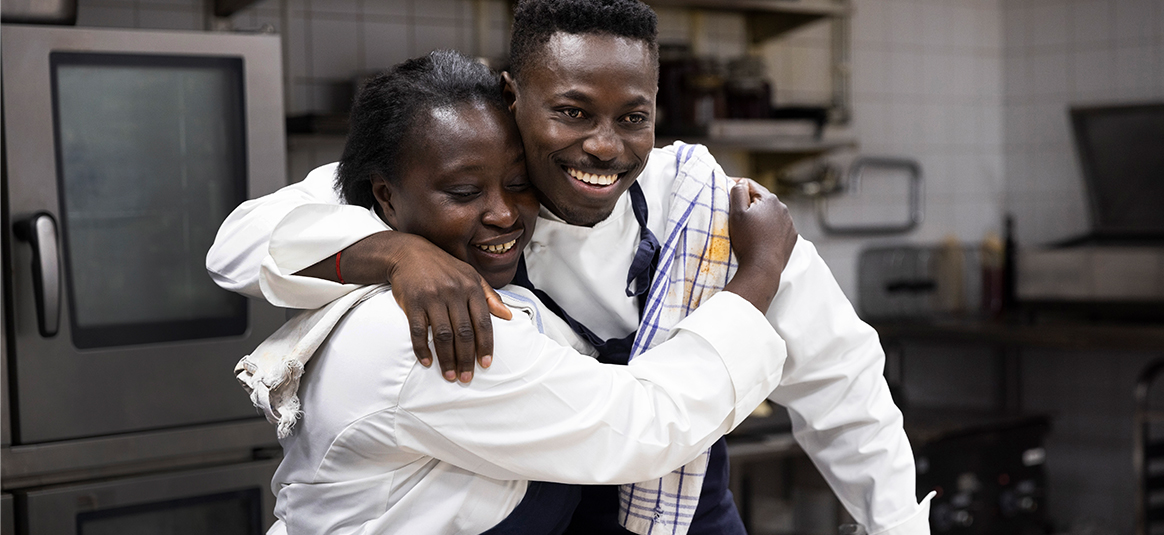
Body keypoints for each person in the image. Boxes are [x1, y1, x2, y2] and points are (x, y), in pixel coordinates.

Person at [208, 1, 933, 533]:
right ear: (511, 96)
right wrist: (393, 250)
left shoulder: (708, 211)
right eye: (572, 112)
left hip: (680, 511)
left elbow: (842, 381)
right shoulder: (443, 176)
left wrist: (896, 526)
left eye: (633, 117)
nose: (605, 147)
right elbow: (239, 242)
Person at [244, 49, 796, 535]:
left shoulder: (485, 282)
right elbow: (645, 428)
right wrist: (762, 268)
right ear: (385, 199)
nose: (505, 213)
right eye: (464, 191)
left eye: (517, 184)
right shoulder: (433, 330)